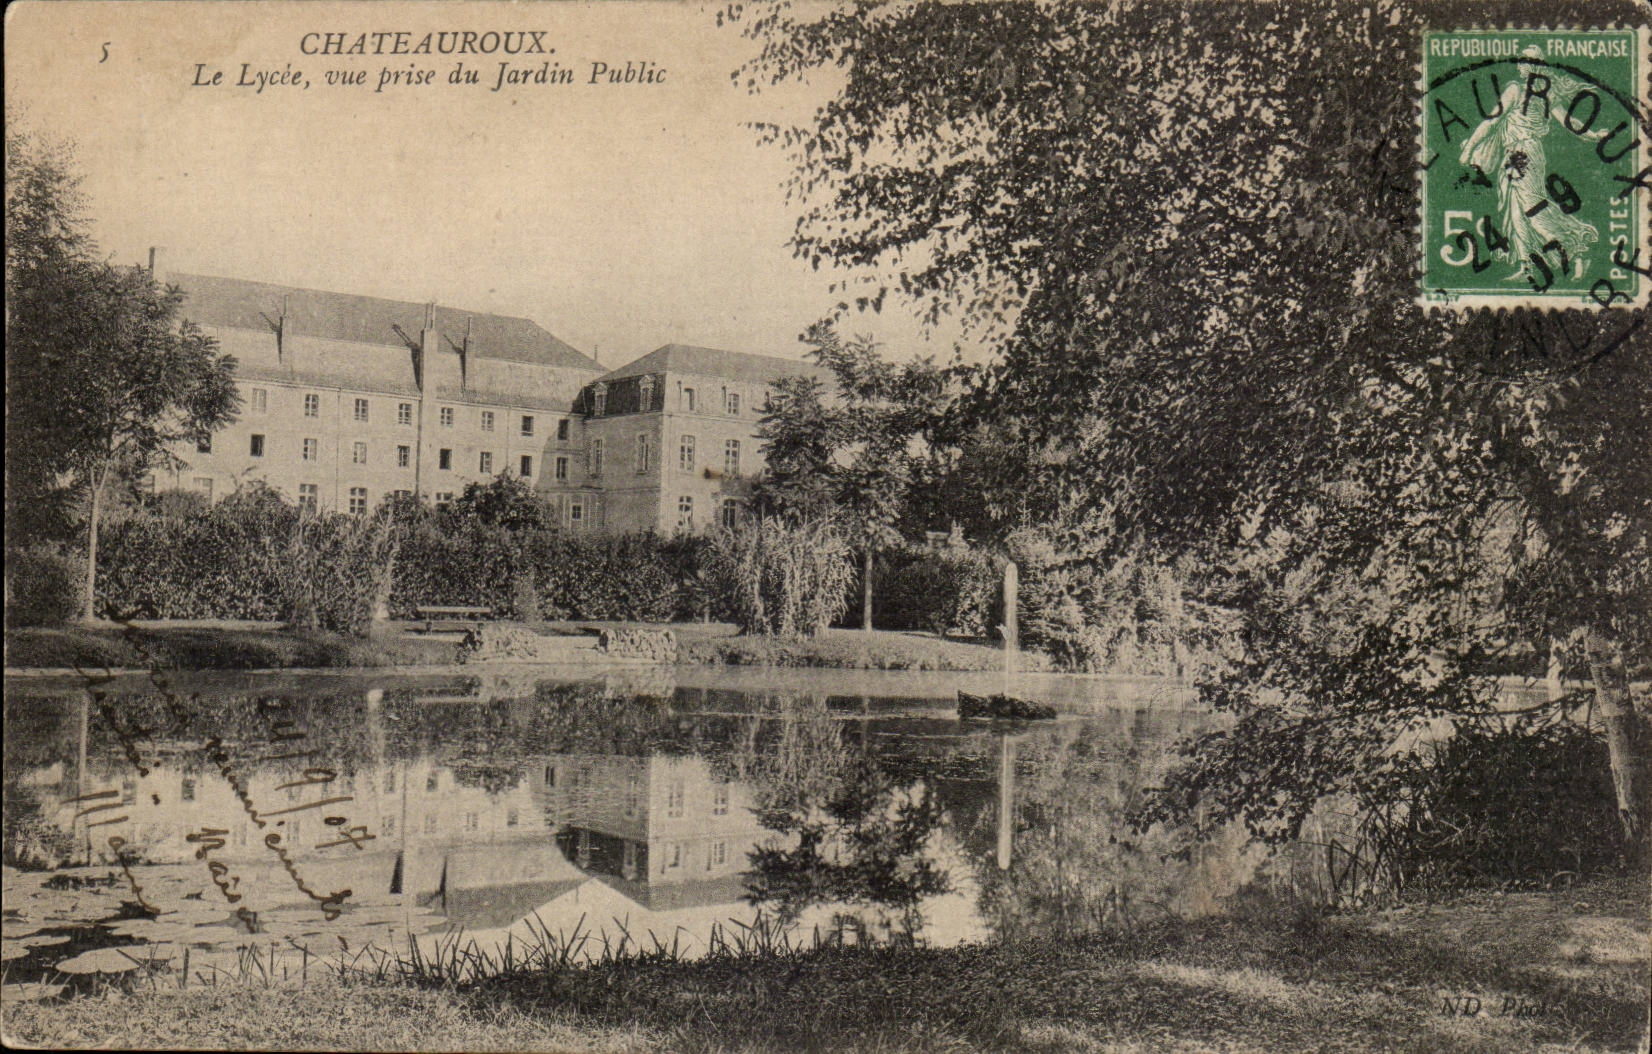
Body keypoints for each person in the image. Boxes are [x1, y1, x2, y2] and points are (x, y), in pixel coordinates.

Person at [1458, 47, 1606, 284]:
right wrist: (1594, 135)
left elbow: (1491, 121)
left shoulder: (1517, 90)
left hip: (1523, 153)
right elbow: (1571, 123)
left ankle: (1577, 249)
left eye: (1525, 60)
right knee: (1516, 211)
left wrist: (1468, 149)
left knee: (1532, 209)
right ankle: (1527, 266)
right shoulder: (1545, 94)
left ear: (1534, 65)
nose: (1520, 64)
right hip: (1516, 153)